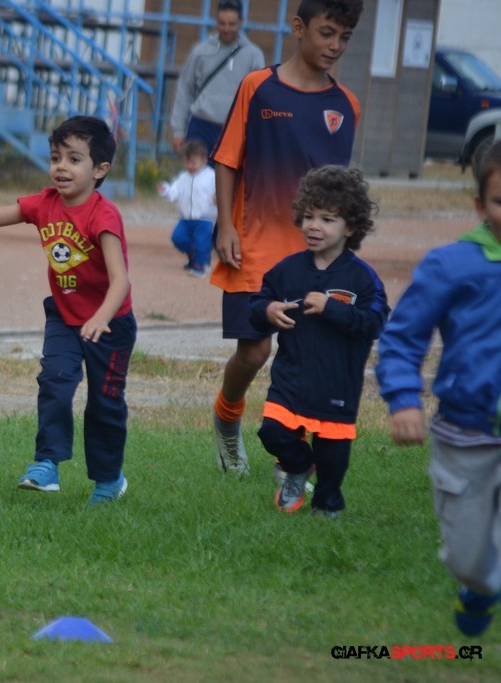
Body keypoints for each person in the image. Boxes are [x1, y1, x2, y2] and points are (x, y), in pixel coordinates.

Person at [0, 115, 136, 505]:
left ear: (100, 169)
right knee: (54, 382)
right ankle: (47, 463)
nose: (61, 167)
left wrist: (100, 317)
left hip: (109, 324)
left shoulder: (103, 215)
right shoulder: (44, 203)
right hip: (64, 317)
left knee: (104, 405)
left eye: (74, 159)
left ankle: (109, 480)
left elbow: (121, 281)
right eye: (55, 158)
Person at [209, 0, 364, 477]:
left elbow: (340, 192)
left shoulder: (347, 105)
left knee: (306, 358)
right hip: (253, 246)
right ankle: (227, 417)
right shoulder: (258, 87)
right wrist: (225, 224)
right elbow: (227, 159)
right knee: (254, 352)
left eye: (344, 37)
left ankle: (290, 456)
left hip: (314, 257)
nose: (335, 46)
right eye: (327, 33)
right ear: (298, 28)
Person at [375, 140, 501, 637]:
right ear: (480, 205)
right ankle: (479, 585)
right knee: (468, 557)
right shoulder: (452, 266)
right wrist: (404, 400)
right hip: (465, 436)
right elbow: (402, 338)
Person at [249, 166, 387, 516]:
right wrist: (267, 310)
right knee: (271, 432)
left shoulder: (363, 279)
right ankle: (297, 465)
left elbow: (375, 322)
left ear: (350, 227)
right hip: (290, 380)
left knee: (332, 458)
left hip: (336, 385)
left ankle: (327, 506)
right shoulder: (287, 270)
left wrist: (332, 308)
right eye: (309, 216)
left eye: (327, 219)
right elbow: (255, 305)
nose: (314, 226)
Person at [168, 0, 265, 158]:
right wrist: (178, 131)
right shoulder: (200, 51)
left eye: (231, 24)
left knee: (228, 175)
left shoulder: (254, 55)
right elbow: (185, 90)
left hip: (234, 131)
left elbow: (258, 98)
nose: (226, 29)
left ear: (242, 22)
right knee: (196, 174)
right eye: (222, 23)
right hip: (201, 127)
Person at [158, 139, 217, 277]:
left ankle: (201, 266)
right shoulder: (183, 178)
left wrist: (217, 196)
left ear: (204, 161)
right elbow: (174, 192)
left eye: (193, 163)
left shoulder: (211, 176)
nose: (190, 166)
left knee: (201, 242)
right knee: (177, 238)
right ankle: (194, 255)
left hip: (205, 218)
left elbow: (222, 190)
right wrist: (166, 190)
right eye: (187, 162)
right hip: (185, 218)